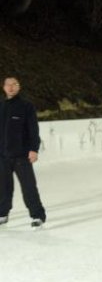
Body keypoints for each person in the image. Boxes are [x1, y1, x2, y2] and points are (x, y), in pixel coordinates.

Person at [0, 75, 46, 228]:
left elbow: (33, 129)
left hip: (21, 155)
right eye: (8, 84)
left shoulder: (26, 106)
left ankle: (37, 215)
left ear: (19, 87)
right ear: (4, 87)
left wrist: (34, 149)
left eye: (14, 84)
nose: (11, 87)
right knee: (3, 187)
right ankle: (2, 213)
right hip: (2, 156)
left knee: (28, 187)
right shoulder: (1, 105)